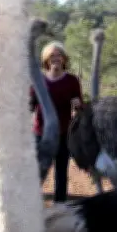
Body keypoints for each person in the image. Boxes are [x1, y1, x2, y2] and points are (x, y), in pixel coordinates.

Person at [29, 41, 83, 202]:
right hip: (41, 133)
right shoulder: (39, 80)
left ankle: (60, 205)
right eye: (52, 55)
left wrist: (78, 104)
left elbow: (79, 105)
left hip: (63, 132)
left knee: (61, 172)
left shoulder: (72, 80)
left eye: (58, 55)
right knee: (38, 171)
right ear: (46, 59)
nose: (56, 58)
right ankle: (32, 203)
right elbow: (30, 106)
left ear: (64, 58)